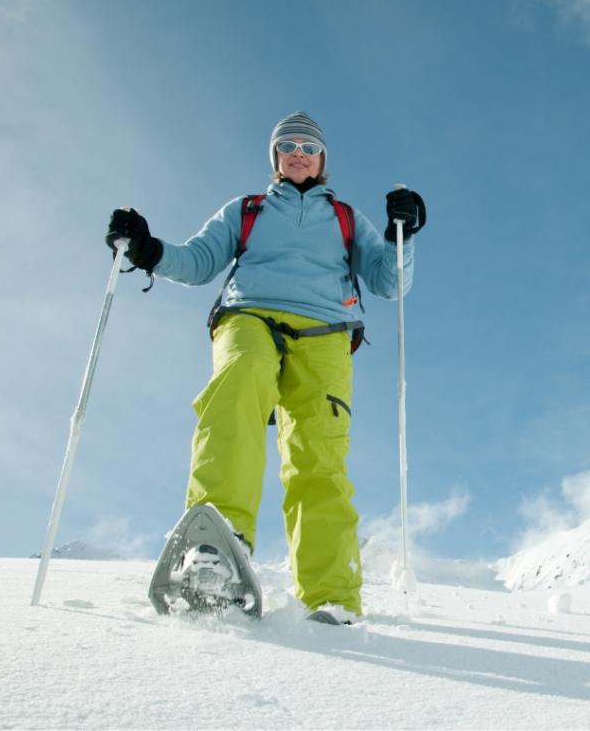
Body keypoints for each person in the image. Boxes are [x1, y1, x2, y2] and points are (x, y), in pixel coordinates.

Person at [106, 111, 425, 624]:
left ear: (322, 160)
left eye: (309, 146)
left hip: (326, 334)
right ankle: (216, 543)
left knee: (318, 456)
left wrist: (400, 236)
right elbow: (198, 262)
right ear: (276, 157)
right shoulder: (246, 210)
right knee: (237, 388)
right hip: (249, 315)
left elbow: (389, 282)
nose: (299, 152)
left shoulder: (344, 218)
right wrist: (147, 249)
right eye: (288, 145)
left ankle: (332, 595)